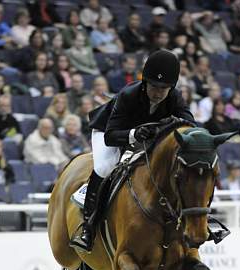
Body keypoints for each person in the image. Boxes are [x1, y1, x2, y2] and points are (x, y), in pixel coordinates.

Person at [70, 50, 195, 252]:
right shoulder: (129, 95)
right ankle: (88, 228)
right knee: (105, 167)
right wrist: (134, 134)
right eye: (154, 86)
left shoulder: (174, 98)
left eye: (164, 88)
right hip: (109, 132)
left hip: (143, 138)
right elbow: (111, 136)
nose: (158, 92)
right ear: (145, 82)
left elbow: (191, 127)